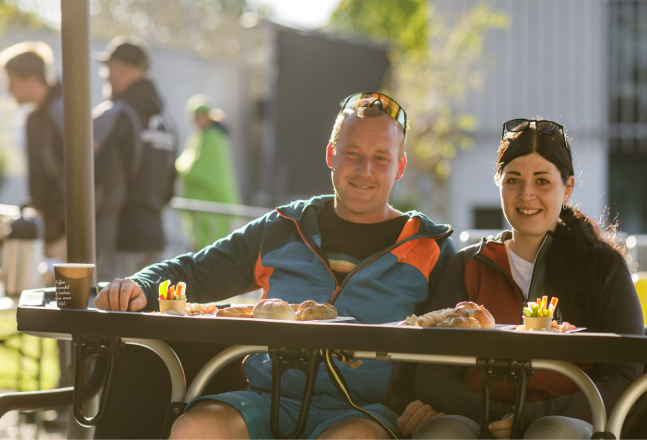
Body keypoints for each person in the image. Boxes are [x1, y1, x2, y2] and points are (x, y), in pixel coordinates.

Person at [94, 92, 457, 439]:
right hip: (265, 401)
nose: (365, 169)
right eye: (352, 153)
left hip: (364, 412)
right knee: (194, 429)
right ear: (331, 154)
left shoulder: (431, 245)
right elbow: (194, 271)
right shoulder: (283, 226)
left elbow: (455, 346)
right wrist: (138, 285)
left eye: (381, 157)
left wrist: (431, 403)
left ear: (400, 166)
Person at [399, 119, 644, 439]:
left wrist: (531, 415)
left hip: (566, 421)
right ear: (498, 183)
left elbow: (624, 375)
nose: (526, 194)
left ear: (567, 188)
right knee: (439, 434)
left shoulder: (602, 267)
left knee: (549, 434)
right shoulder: (468, 264)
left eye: (542, 181)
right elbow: (432, 369)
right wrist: (495, 414)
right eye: (513, 180)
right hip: (476, 416)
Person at [92, 36, 178, 282]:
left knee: (111, 317)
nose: (104, 75)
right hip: (155, 239)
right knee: (147, 316)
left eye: (107, 68)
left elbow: (94, 181)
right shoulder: (166, 122)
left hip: (117, 240)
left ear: (120, 68)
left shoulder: (114, 116)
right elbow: (169, 187)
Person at [0, 42, 66, 260]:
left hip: (65, 234)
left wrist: (66, 227)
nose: (7, 90)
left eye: (11, 82)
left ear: (32, 81)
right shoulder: (35, 117)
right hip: (46, 229)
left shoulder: (63, 111)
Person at [176, 94, 241, 250]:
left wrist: (175, 167)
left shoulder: (211, 137)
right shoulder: (203, 136)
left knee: (207, 249)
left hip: (209, 205)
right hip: (203, 206)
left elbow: (195, 167)